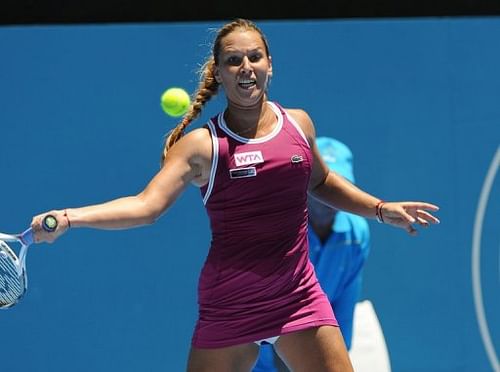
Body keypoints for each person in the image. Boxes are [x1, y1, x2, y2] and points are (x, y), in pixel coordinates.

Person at [31, 19, 440, 372]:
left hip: (298, 295)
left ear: (270, 65)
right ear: (220, 73)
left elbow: (319, 181)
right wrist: (71, 217)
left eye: (255, 57)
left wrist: (381, 209)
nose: (246, 68)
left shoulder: (298, 124)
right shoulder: (202, 147)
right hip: (230, 304)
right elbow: (146, 206)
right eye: (233, 60)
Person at [252, 137, 372, 372]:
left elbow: (343, 305)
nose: (329, 196)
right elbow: (267, 317)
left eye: (339, 185)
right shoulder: (276, 234)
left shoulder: (357, 233)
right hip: (259, 357)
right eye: (320, 185)